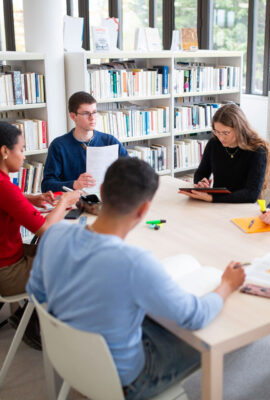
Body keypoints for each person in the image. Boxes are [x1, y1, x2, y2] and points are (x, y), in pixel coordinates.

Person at [27, 157, 245, 399]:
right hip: (126, 380)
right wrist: (227, 284)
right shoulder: (133, 263)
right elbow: (195, 316)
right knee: (213, 337)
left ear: (101, 191)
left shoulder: (54, 235)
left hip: (68, 358)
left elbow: (37, 293)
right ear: (144, 210)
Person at [0, 122, 80, 347]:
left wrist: (28, 198)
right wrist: (64, 202)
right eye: (22, 149)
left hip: (5, 258)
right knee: (71, 264)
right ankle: (33, 323)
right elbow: (46, 229)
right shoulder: (5, 187)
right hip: (8, 273)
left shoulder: (5, 185)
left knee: (58, 252)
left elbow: (8, 200)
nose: (24, 156)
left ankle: (28, 317)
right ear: (5, 151)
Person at [180, 103, 270, 203]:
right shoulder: (214, 143)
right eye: (217, 132)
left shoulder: (257, 150)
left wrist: (212, 198)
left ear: (239, 129)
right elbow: (201, 172)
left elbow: (251, 194)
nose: (220, 137)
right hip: (217, 205)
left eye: (225, 133)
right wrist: (201, 182)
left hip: (242, 207)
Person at [41, 91, 129, 193]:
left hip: (108, 198)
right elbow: (46, 185)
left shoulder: (110, 141)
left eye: (94, 112)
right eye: (86, 113)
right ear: (73, 117)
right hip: (74, 202)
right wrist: (74, 184)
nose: (92, 118)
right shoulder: (58, 145)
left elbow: (131, 171)